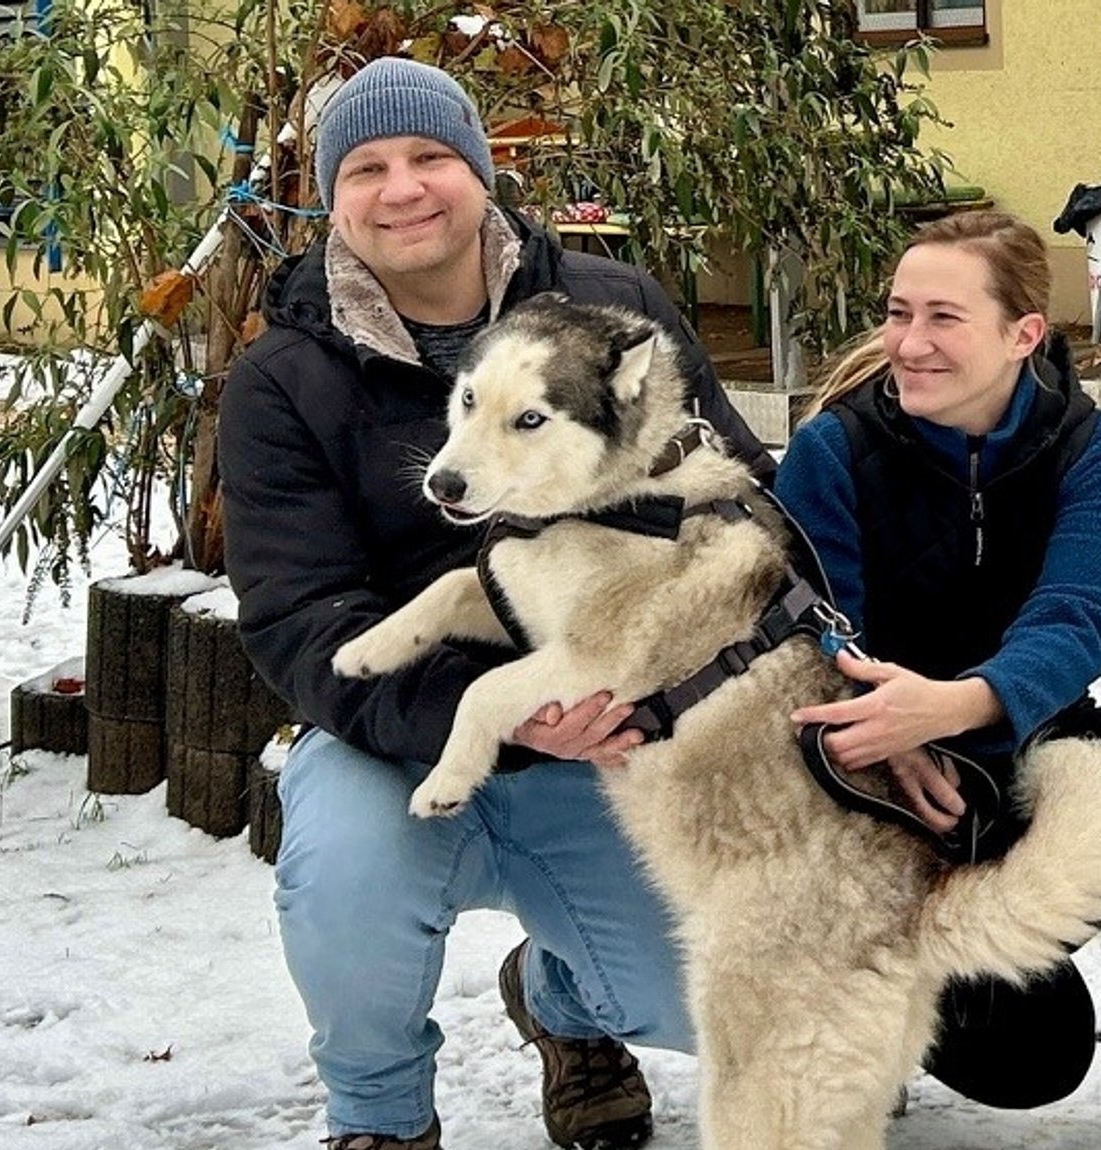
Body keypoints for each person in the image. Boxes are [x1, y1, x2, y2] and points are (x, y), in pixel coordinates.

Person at [216, 57, 773, 1150]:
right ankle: (380, 1115)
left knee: (703, 993)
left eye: (431, 155)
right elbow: (299, 617)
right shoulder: (282, 379)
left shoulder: (613, 311)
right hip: (397, 735)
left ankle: (563, 1002)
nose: (403, 188)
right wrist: (494, 717)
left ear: (480, 170)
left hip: (614, 722)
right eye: (366, 167)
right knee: (341, 889)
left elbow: (731, 489)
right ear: (331, 197)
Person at [773, 209, 1101, 1150]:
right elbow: (815, 636)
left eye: (944, 318)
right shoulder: (834, 450)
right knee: (1034, 1056)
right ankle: (873, 1014)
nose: (909, 343)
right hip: (882, 803)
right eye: (899, 313)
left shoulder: (1098, 448)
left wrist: (953, 707)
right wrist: (890, 735)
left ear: (1022, 334)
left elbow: (1073, 618)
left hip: (1024, 764)